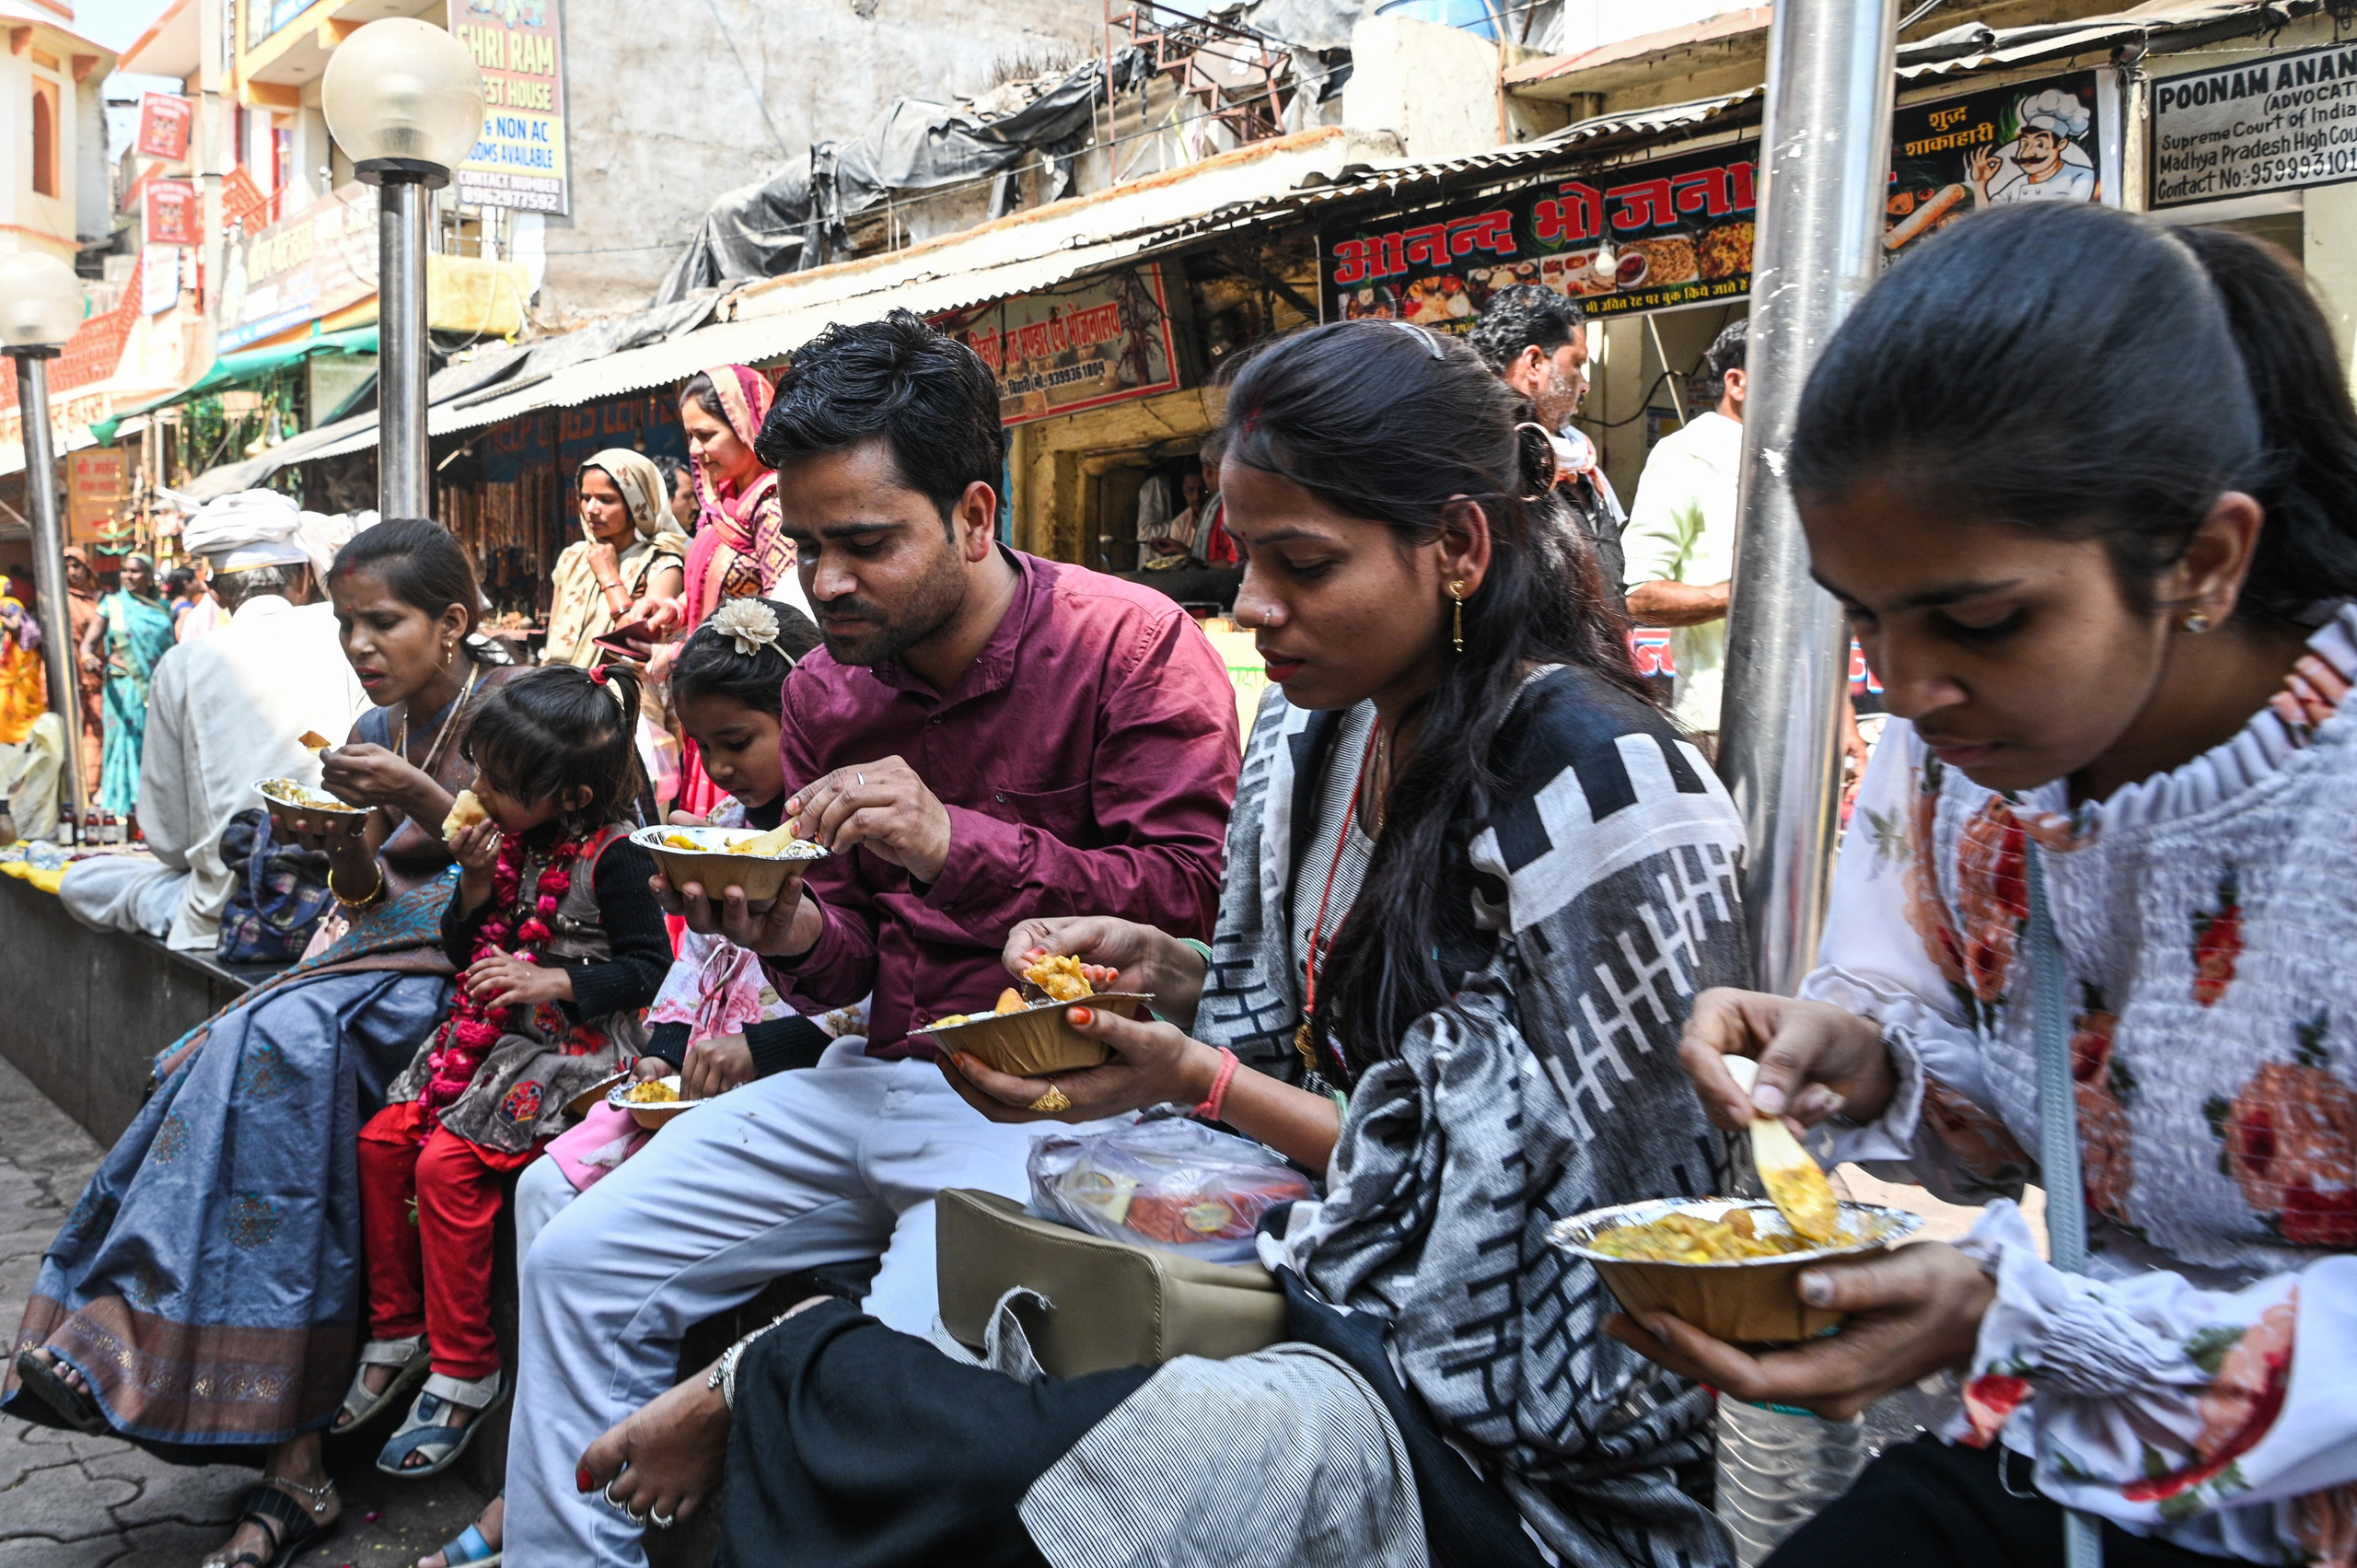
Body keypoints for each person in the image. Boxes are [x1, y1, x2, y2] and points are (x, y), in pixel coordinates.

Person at [576, 319, 1751, 1568]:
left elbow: (1604, 1246)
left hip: (1501, 1430)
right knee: (923, 1388)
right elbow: (1271, 1027)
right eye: (1245, 557)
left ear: (1457, 546)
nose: (1251, 606)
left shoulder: (1601, 785)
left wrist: (1197, 1072)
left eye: (1304, 564)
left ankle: (771, 1377)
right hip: (1307, 1274)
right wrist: (1174, 985)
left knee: (970, 1465)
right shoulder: (1310, 736)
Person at [1608, 204, 2357, 1568]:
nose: (1907, 685)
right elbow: (2046, 1113)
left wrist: (2035, 1321)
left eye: (1983, 620)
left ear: (2203, 560)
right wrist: (1876, 1064)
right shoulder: (1967, 759)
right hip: (2081, 1464)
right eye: (1863, 614)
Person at [502, 310, 1241, 1567]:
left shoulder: (1128, 645)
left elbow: (1186, 903)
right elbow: (852, 951)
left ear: (972, 514)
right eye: (807, 544)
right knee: (573, 1257)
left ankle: (757, 1405)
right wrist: (784, 922)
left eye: (866, 543)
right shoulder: (827, 689)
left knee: (888, 1373)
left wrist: (956, 840)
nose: (828, 582)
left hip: (1054, 1101)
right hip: (877, 1068)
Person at [6, 519, 524, 1568]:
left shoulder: (518, 712)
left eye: (383, 622)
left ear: (452, 622)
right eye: (347, 625)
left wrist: (412, 794)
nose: (360, 645)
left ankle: (264, 1435)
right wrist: (337, 845)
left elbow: (545, 872)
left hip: (491, 974)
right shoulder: (378, 721)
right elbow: (366, 891)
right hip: (373, 962)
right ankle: (142, 1349)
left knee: (276, 1048)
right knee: (232, 1056)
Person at [349, 665, 669, 1481]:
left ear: (572, 796)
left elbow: (650, 967)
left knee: (445, 1167)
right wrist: (475, 884)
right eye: (480, 771)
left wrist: (553, 978)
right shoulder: (510, 842)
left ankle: (466, 1368)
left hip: (576, 1051)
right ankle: (398, 1326)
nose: (477, 791)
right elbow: (465, 949)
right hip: (493, 1037)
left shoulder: (620, 856)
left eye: (498, 780)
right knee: (383, 1141)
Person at [53, 535, 367, 949]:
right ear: (304, 578)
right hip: (343, 886)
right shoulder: (344, 632)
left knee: (84, 880)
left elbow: (169, 842)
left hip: (227, 905)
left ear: (215, 593)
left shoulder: (183, 662)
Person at [1621, 318, 1745, 749]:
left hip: (1805, 711)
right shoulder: (1687, 455)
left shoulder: (1794, 459)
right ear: (1736, 382)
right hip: (1718, 720)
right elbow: (1641, 596)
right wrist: (1746, 596)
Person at [1470, 282, 1628, 598]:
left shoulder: (1582, 464)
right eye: (1577, 364)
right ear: (1534, 363)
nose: (1585, 384)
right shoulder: (1481, 465)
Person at [542, 450, 688, 669]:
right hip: (555, 684)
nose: (591, 509)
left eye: (606, 500)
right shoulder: (573, 557)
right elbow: (554, 633)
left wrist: (609, 577)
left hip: (615, 688)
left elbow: (641, 645)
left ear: (637, 504)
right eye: (585, 498)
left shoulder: (662, 565)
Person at [78, 552, 176, 822]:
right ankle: (123, 805)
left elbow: (171, 651)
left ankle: (153, 806)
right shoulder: (112, 605)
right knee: (123, 743)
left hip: (154, 689)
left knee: (150, 744)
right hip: (120, 687)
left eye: (135, 571)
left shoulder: (162, 610)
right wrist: (88, 659)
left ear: (149, 577)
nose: (128, 576)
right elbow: (87, 645)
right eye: (125, 571)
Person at [1969, 88, 2096, 207]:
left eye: (2040, 144)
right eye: (2024, 144)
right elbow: (1987, 218)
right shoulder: (2018, 184)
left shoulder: (2081, 176)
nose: (2027, 153)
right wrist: (1980, 183)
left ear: (2061, 145)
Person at [60, 544, 103, 796]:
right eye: (66, 567)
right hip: (73, 679)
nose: (72, 572)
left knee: (98, 736)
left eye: (76, 566)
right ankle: (80, 793)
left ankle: (97, 791)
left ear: (87, 568)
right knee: (75, 737)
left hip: (100, 678)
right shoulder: (62, 601)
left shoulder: (101, 599)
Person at [0, 578, 42, 748]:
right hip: (11, 667)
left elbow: (17, 628)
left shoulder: (9, 605)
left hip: (17, 664)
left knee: (20, 704)